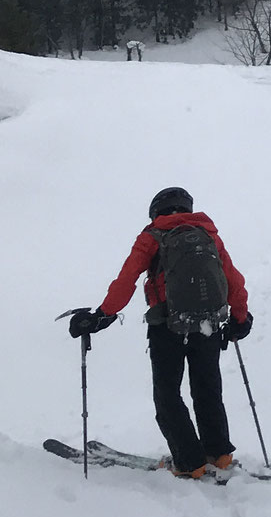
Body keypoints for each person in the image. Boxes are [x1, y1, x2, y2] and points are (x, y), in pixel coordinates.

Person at [65, 187, 254, 479]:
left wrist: (103, 315)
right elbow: (233, 280)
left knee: (167, 394)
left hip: (167, 326)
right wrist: (240, 318)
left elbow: (127, 279)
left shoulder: (152, 236)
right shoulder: (209, 235)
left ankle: (189, 463)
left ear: (156, 211)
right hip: (208, 325)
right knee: (208, 388)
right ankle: (220, 455)